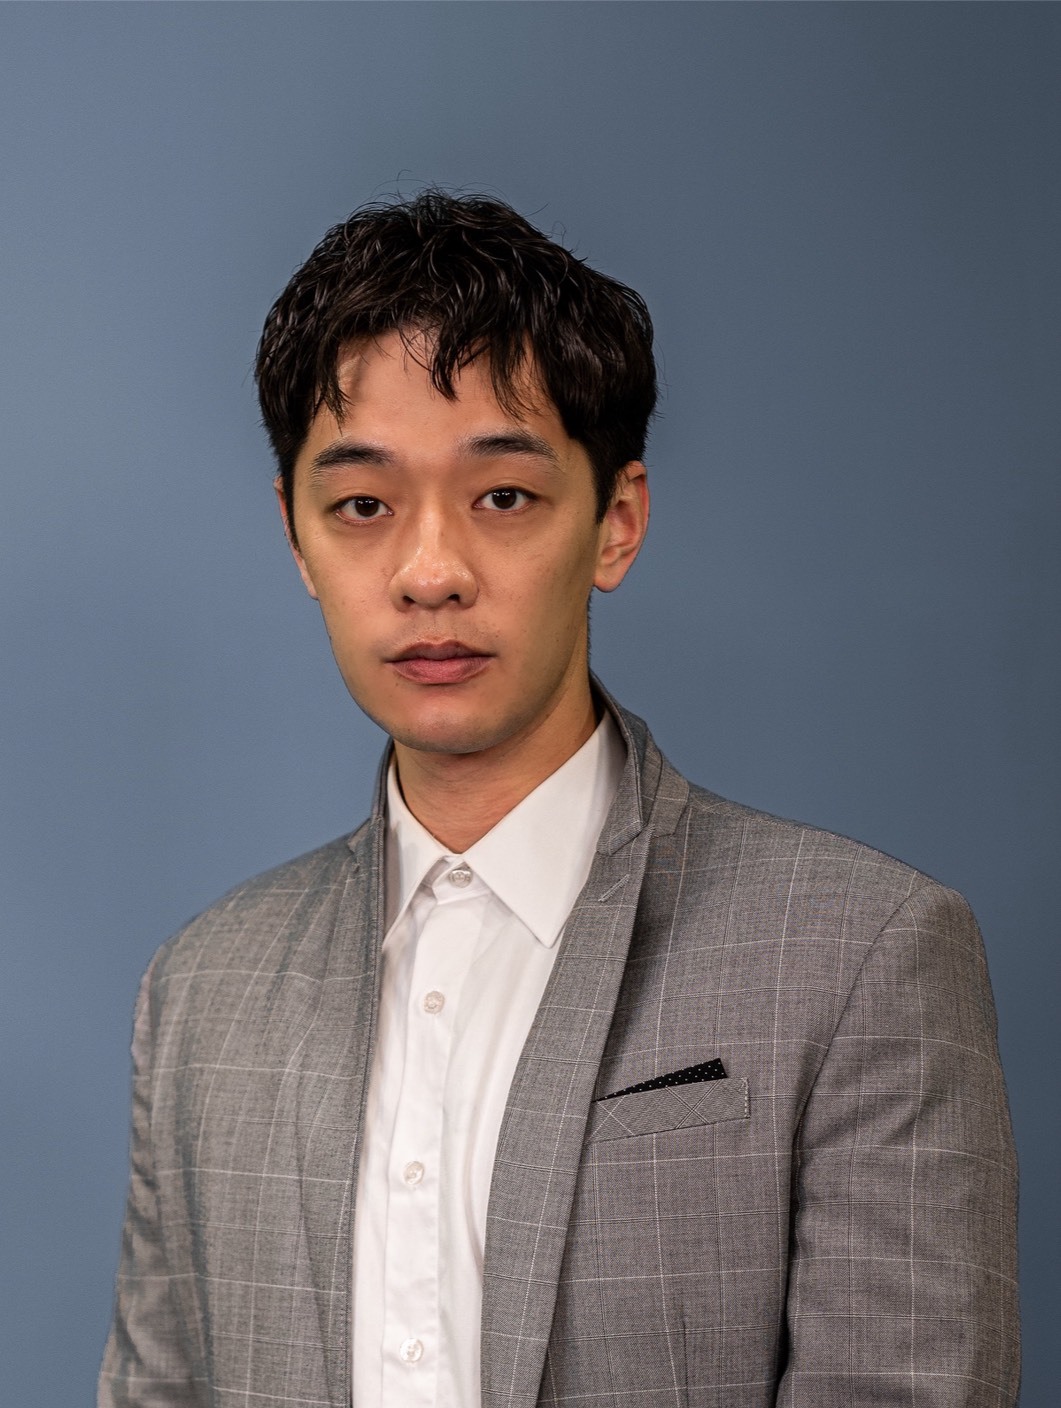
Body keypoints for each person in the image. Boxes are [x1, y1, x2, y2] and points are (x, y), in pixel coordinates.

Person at [99, 191, 1019, 1408]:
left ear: (614, 523)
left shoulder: (860, 952)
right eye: (363, 505)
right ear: (297, 538)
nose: (430, 572)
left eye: (503, 496)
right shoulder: (202, 989)